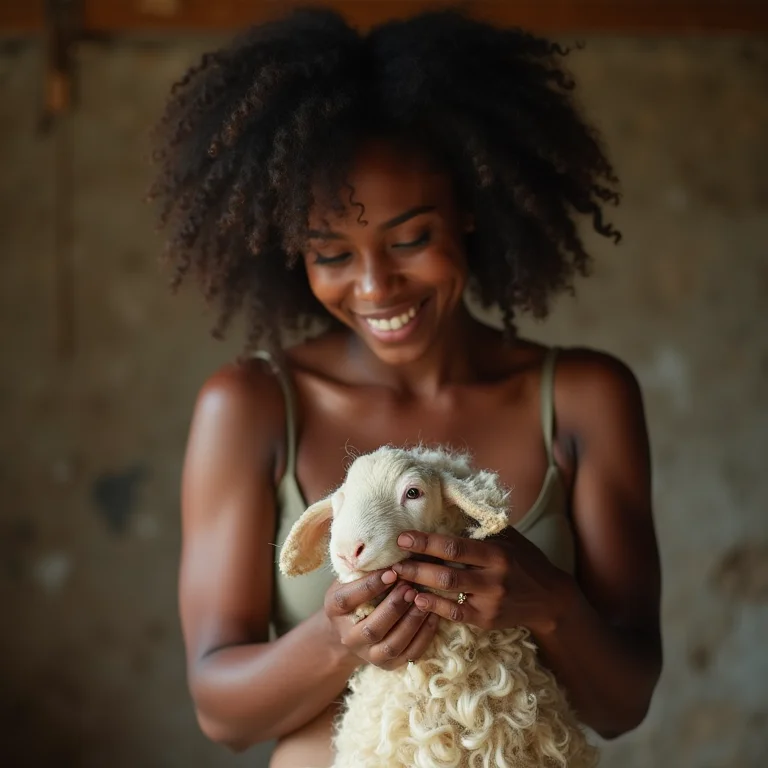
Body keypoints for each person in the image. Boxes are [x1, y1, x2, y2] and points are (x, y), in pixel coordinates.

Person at [149, 7, 662, 767]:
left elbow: (622, 707)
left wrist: (549, 603)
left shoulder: (585, 397)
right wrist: (338, 637)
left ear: (473, 213)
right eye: (330, 253)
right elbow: (221, 711)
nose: (374, 285)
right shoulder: (252, 406)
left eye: (412, 239)